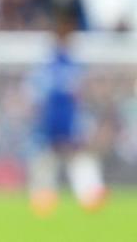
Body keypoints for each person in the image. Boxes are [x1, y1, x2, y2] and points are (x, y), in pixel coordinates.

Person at [27, 14, 107, 216]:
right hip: (52, 122)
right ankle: (45, 198)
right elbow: (37, 97)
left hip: (68, 122)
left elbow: (80, 96)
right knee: (47, 161)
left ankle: (89, 194)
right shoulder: (51, 65)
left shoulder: (70, 65)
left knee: (74, 159)